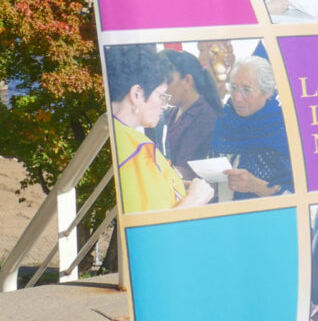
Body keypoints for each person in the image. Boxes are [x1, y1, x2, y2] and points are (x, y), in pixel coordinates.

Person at [105, 44, 214, 213]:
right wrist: (195, 199)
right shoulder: (137, 150)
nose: (164, 105)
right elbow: (157, 230)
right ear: (137, 94)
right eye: (161, 95)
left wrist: (174, 185)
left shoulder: (112, 134)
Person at [210, 55, 294, 201]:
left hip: (270, 219)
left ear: (268, 92)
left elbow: (303, 197)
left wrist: (256, 187)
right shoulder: (224, 122)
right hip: (226, 216)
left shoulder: (286, 131)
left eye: (246, 90)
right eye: (234, 88)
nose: (237, 98)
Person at [159, 48, 221, 178]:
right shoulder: (174, 110)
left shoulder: (205, 116)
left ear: (187, 80)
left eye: (168, 80)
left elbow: (186, 171)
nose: (163, 87)